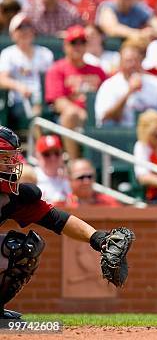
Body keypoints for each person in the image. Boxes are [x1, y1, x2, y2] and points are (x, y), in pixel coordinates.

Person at [0, 126, 134, 321]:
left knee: (23, 249)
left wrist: (97, 238)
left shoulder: (10, 197)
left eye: (11, 159)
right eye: (5, 159)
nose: (12, 165)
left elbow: (56, 219)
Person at [45, 25, 107, 159]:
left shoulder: (98, 70)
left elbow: (109, 95)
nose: (78, 47)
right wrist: (84, 114)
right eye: (73, 43)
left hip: (99, 115)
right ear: (65, 46)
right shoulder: (57, 69)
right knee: (70, 114)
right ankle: (74, 162)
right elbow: (58, 102)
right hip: (72, 117)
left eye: (82, 42)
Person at [95, 41, 157, 127]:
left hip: (149, 134)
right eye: (128, 61)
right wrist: (129, 92)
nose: (133, 65)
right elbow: (105, 119)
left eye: (136, 60)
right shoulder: (109, 85)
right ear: (121, 63)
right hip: (119, 134)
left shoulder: (155, 83)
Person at [0, 13, 54, 125]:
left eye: (28, 26)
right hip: (19, 102)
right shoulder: (8, 54)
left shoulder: (45, 53)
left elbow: (52, 79)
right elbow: (2, 79)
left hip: (45, 102)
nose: (25, 31)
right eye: (20, 28)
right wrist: (19, 86)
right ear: (12, 34)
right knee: (34, 114)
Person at [33, 135, 71, 204]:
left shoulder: (69, 178)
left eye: (56, 153)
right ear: (37, 155)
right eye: (46, 154)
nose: (53, 158)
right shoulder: (32, 177)